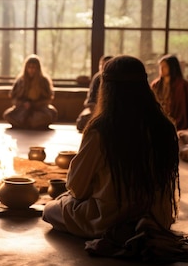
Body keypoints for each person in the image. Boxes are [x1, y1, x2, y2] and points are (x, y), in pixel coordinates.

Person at [43, 55, 180, 239]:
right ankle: (141, 226)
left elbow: (77, 187)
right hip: (157, 217)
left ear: (107, 88)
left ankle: (125, 228)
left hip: (111, 218)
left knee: (52, 208)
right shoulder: (164, 126)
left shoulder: (101, 129)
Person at [3, 54, 58, 129]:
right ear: (26, 68)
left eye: (34, 67)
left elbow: (48, 99)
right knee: (7, 115)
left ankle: (27, 123)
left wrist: (34, 104)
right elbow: (13, 97)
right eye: (29, 67)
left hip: (40, 109)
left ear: (38, 68)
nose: (31, 70)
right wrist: (23, 104)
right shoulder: (20, 81)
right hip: (22, 109)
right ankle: (27, 123)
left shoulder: (44, 81)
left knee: (50, 115)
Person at [151, 54, 188, 130]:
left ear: (172, 67)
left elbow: (186, 110)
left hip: (177, 122)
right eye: (160, 66)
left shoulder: (182, 85)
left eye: (165, 66)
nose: (162, 69)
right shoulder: (155, 85)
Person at [76, 55, 113, 132]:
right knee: (83, 121)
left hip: (112, 110)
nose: (103, 68)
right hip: (96, 109)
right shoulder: (97, 78)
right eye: (101, 65)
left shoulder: (116, 80)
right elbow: (91, 101)